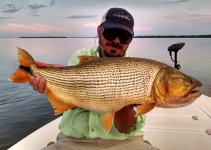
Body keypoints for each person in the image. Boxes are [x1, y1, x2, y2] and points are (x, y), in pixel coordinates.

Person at [30, 7, 159, 150]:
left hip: (124, 142)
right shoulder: (81, 56)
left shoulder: (141, 70)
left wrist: (125, 101)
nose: (116, 41)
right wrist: (52, 80)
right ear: (99, 31)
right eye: (111, 33)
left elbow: (124, 128)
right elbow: (71, 103)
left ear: (130, 41)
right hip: (74, 141)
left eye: (124, 37)